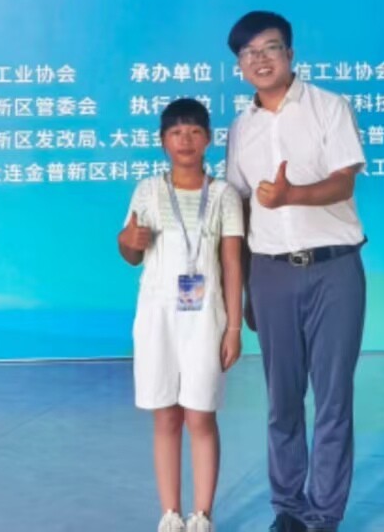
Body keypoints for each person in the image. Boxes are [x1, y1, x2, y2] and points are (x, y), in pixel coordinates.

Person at [225, 11, 367, 532]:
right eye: (249, 53)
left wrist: (291, 196)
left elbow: (344, 182)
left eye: (270, 48)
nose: (260, 59)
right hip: (271, 275)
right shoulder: (241, 128)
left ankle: (324, 514)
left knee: (333, 397)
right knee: (282, 399)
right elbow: (239, 207)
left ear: (290, 54)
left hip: (335, 269)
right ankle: (288, 507)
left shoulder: (330, 107)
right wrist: (245, 290)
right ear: (240, 66)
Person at [118, 98, 246, 532]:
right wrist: (128, 240)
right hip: (157, 317)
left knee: (200, 414)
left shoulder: (224, 195)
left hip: (206, 319)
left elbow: (232, 263)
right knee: (167, 415)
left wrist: (233, 327)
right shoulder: (148, 191)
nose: (185, 140)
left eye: (194, 132)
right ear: (162, 142)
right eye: (175, 133)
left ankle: (202, 513)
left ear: (208, 139)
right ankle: (170, 512)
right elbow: (130, 252)